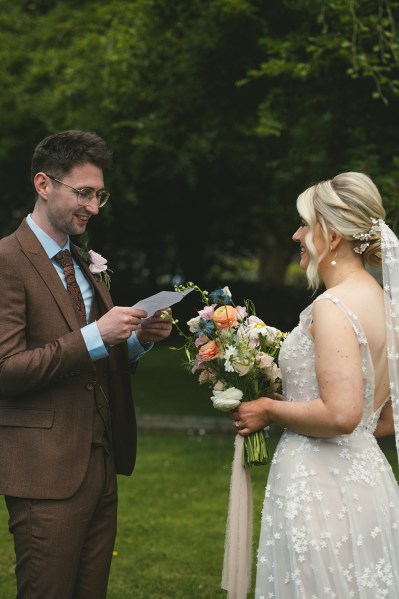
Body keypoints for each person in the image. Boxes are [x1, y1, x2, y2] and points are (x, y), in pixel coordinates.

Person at [0, 129, 173, 599]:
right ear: (43, 184)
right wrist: (98, 334)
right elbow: (7, 369)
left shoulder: (83, 260)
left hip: (100, 464)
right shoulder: (7, 260)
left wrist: (135, 341)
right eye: (84, 193)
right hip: (45, 471)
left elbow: (91, 360)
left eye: (100, 195)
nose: (94, 207)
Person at [232, 172, 399, 597]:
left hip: (321, 486)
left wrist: (268, 409)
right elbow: (385, 420)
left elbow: (342, 414)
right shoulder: (385, 303)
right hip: (369, 481)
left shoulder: (332, 306)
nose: (296, 234)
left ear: (333, 235)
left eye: (305, 223)